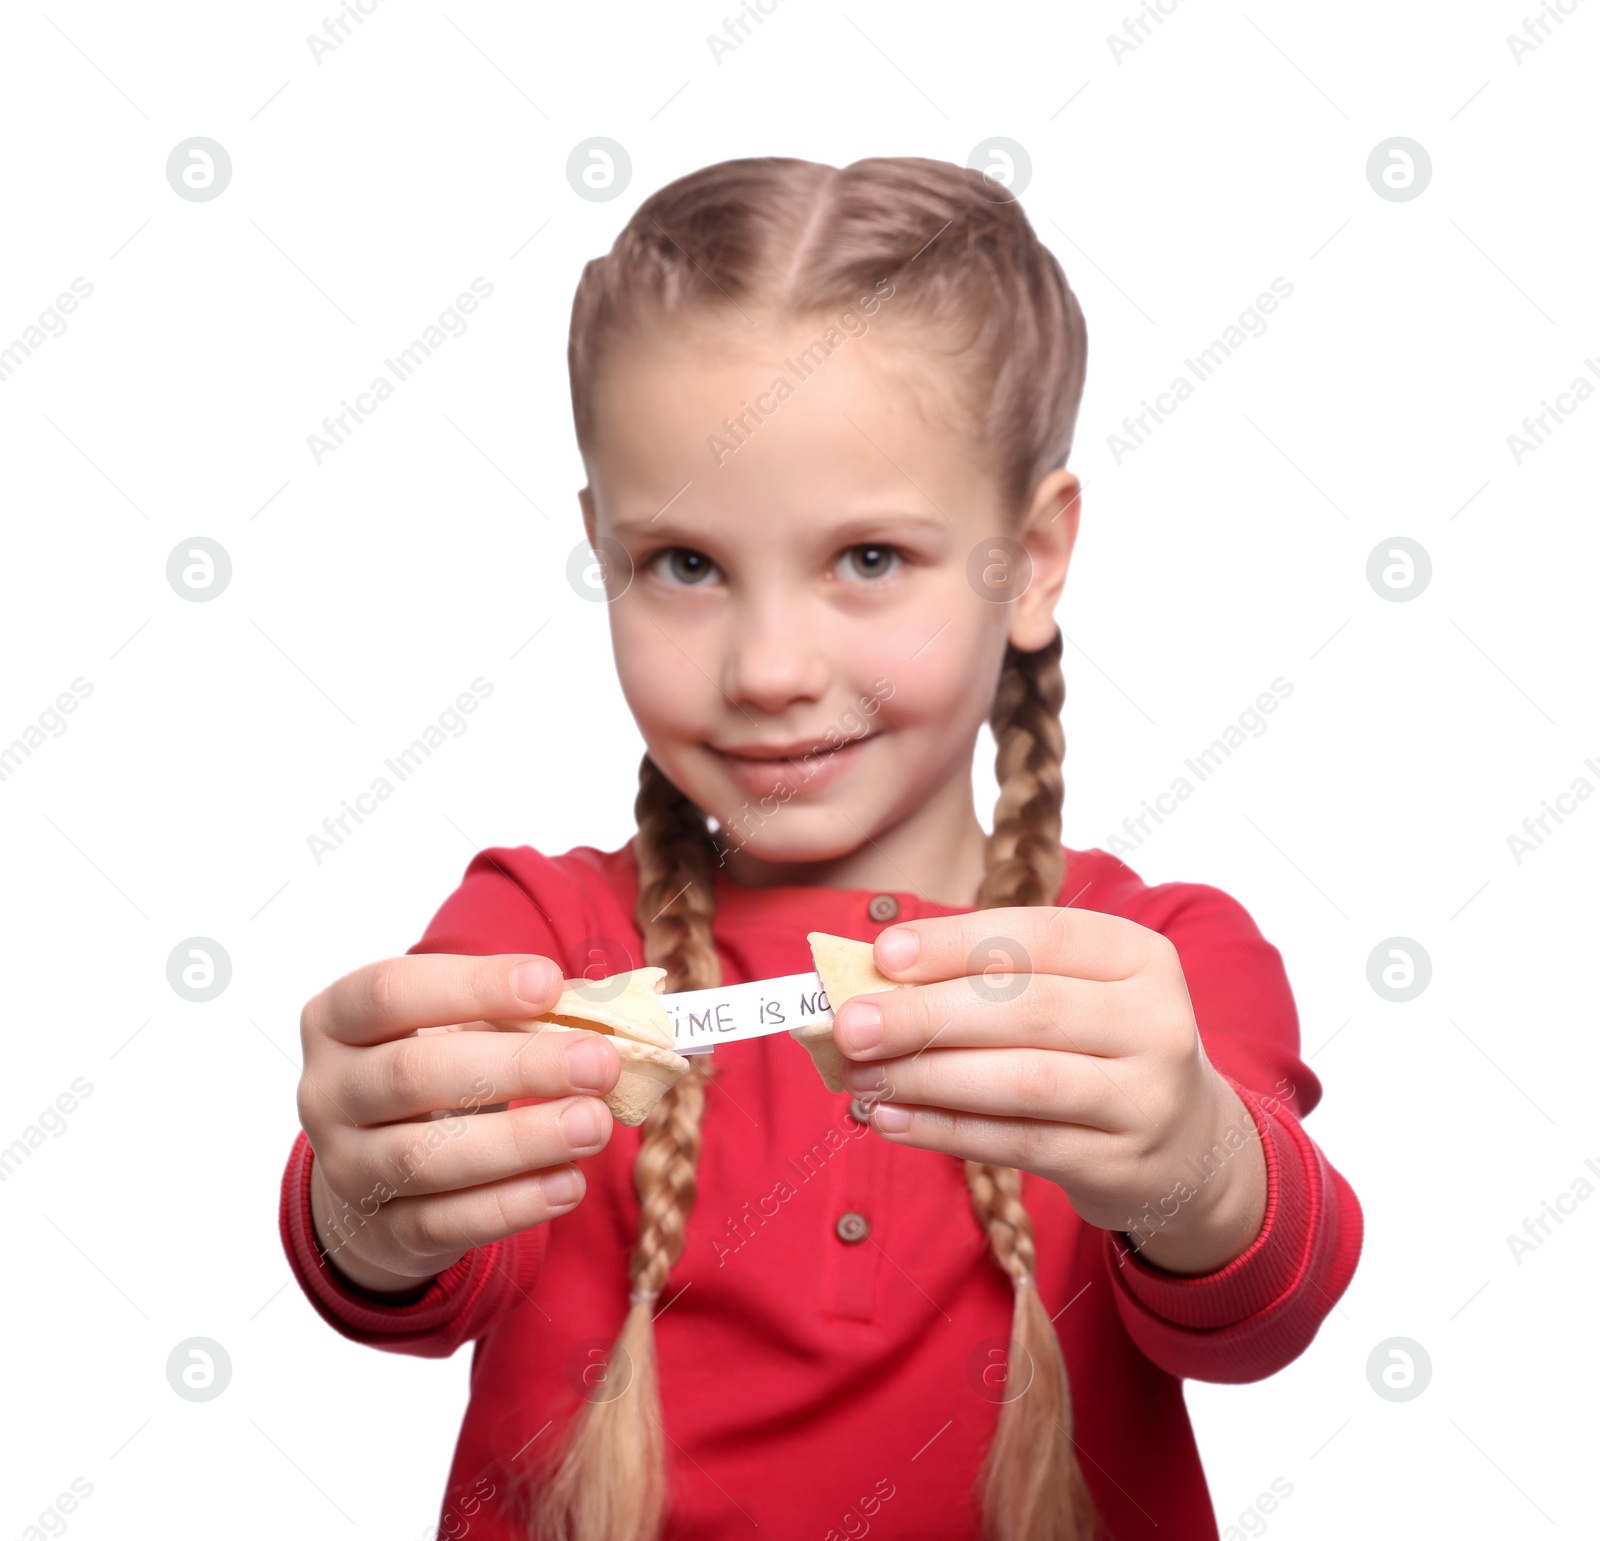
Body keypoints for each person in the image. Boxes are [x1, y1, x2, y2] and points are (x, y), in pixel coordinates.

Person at [281, 155, 1361, 1541]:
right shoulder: (528, 936)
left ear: (1028, 559)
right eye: (683, 564)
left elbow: (1261, 1312)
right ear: (600, 549)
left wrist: (1200, 1161)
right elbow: (407, 1283)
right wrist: (368, 1207)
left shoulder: (1148, 967)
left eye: (866, 559)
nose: (772, 667)